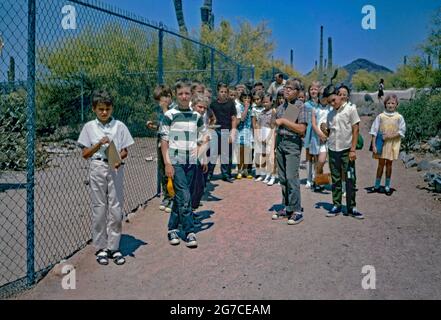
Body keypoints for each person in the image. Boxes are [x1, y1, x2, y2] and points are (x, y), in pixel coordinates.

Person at [77, 89, 134, 265]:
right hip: (97, 165)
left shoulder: (119, 126)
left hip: (114, 166)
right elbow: (85, 154)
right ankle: (101, 247)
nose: (104, 112)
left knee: (116, 208)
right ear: (94, 109)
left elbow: (125, 151)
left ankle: (114, 247)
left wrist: (117, 159)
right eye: (100, 109)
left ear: (112, 109)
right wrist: (98, 144)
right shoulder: (89, 127)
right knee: (99, 207)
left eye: (107, 109)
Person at [160, 80, 206, 248]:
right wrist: (167, 163)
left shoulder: (197, 117)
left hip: (191, 162)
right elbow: (164, 141)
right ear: (176, 95)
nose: (184, 96)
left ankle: (172, 228)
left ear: (191, 95)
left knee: (182, 196)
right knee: (185, 197)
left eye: (187, 93)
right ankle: (189, 231)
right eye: (180, 94)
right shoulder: (169, 115)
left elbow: (203, 137)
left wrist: (202, 155)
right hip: (175, 161)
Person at [324, 85, 364, 219]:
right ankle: (336, 205)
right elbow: (329, 132)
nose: (332, 103)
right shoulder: (330, 114)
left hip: (347, 151)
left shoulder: (350, 110)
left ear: (340, 96)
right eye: (329, 102)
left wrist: (353, 149)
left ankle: (351, 207)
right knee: (335, 179)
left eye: (333, 100)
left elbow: (355, 129)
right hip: (333, 150)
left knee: (350, 178)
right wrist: (323, 128)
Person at [271, 79, 307, 225]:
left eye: (291, 89)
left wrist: (284, 121)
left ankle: (297, 210)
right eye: (286, 88)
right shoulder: (281, 107)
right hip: (280, 142)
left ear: (298, 92)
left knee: (292, 176)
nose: (287, 90)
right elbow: (275, 126)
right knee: (283, 177)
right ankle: (287, 207)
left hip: (292, 143)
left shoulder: (300, 106)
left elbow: (301, 130)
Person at [368, 94, 406, 196]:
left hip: (392, 144)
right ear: (385, 104)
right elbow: (374, 131)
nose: (390, 105)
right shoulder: (380, 116)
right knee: (380, 164)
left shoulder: (399, 117)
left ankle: (387, 186)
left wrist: (390, 136)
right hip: (381, 144)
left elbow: (402, 131)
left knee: (389, 164)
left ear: (396, 104)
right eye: (388, 103)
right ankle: (376, 185)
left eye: (392, 103)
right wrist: (374, 145)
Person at [146, 84, 174, 213]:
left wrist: (164, 110)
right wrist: (154, 126)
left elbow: (172, 125)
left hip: (172, 143)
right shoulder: (161, 111)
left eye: (161, 100)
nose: (159, 103)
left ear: (169, 97)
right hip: (161, 142)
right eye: (158, 101)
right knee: (162, 170)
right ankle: (166, 196)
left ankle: (173, 197)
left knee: (172, 170)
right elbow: (163, 127)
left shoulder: (174, 109)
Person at [207, 83, 237, 182]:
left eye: (225, 92)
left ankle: (226, 174)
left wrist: (232, 132)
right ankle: (209, 174)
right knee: (213, 153)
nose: (223, 94)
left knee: (226, 154)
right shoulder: (213, 104)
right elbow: (210, 118)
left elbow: (233, 119)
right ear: (218, 92)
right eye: (221, 91)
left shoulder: (231, 104)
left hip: (226, 131)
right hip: (216, 130)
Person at [307, 81, 330, 193]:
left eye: (325, 96)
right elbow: (314, 124)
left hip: (328, 139)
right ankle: (318, 182)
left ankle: (318, 180)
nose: (323, 98)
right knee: (318, 162)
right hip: (317, 138)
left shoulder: (330, 109)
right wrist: (320, 134)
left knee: (322, 161)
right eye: (321, 96)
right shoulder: (315, 109)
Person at [257, 93, 277, 185]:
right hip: (262, 134)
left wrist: (268, 137)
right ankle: (265, 174)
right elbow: (258, 125)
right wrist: (259, 136)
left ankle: (272, 176)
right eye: (264, 102)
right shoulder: (261, 113)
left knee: (271, 157)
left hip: (270, 135)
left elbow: (273, 127)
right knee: (263, 156)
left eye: (267, 102)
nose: (265, 104)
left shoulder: (273, 112)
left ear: (271, 102)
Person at [235, 90, 254, 179]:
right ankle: (239, 170)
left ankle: (245, 170)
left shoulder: (252, 108)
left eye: (248, 98)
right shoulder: (239, 107)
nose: (247, 100)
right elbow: (242, 119)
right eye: (245, 98)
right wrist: (246, 108)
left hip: (248, 131)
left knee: (247, 152)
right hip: (241, 131)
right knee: (241, 152)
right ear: (242, 98)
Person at [252, 91, 265, 180]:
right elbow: (253, 122)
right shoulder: (254, 109)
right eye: (255, 99)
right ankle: (257, 171)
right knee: (257, 152)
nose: (256, 101)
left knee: (264, 153)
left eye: (258, 99)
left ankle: (263, 171)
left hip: (265, 132)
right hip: (257, 132)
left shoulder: (265, 108)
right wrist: (256, 132)